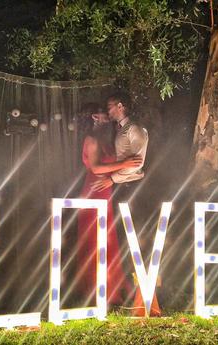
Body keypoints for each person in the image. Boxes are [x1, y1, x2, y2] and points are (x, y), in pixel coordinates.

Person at [92, 92, 160, 316]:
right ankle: (132, 293)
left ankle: (148, 297)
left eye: (110, 106)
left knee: (138, 240)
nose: (108, 110)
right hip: (123, 188)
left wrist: (112, 178)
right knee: (125, 240)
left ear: (120, 106)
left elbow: (136, 164)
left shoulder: (135, 129)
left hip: (135, 189)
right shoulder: (119, 129)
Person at [76, 103, 141, 308]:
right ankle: (97, 291)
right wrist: (125, 164)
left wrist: (128, 171)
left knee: (108, 240)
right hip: (94, 192)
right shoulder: (92, 140)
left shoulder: (107, 141)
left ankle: (111, 288)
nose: (109, 119)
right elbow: (95, 167)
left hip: (105, 191)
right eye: (105, 116)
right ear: (95, 118)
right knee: (97, 241)